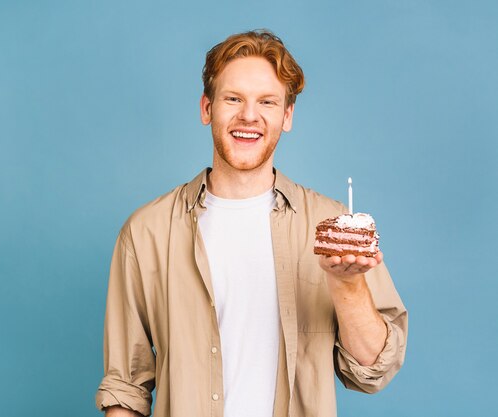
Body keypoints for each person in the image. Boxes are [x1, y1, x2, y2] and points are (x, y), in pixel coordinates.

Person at [95, 30, 407, 417]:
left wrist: (347, 284)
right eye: (233, 99)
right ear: (207, 108)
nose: (249, 115)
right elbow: (126, 388)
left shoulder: (333, 228)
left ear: (287, 116)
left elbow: (374, 369)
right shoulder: (147, 232)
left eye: (267, 102)